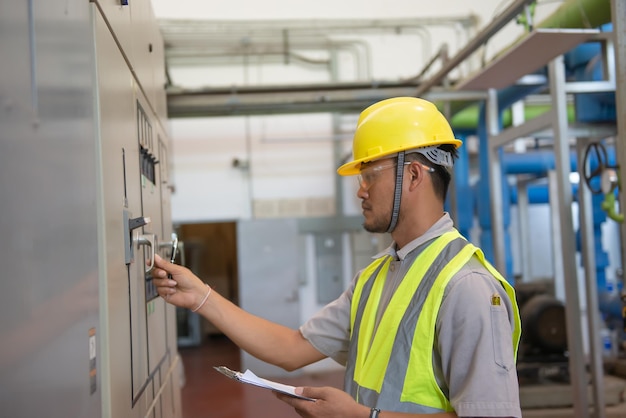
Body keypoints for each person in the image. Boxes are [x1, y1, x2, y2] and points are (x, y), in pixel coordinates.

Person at [151, 96, 522, 418]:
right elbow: (291, 349)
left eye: (370, 175)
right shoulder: (375, 277)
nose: (360, 191)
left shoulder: (466, 287)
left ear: (412, 176)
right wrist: (201, 297)